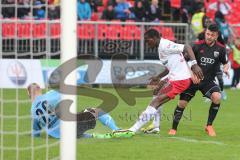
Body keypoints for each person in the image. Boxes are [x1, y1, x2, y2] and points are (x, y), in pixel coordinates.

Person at [113, 28, 203, 135]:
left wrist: (194, 64)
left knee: (156, 101)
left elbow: (187, 47)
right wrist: (158, 77)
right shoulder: (161, 48)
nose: (146, 43)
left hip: (180, 80)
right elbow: (170, 66)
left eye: (148, 40)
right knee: (155, 91)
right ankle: (155, 126)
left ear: (155, 38)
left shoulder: (165, 45)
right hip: (174, 76)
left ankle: (132, 130)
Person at [168, 23, 229, 137]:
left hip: (207, 82)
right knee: (182, 104)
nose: (209, 36)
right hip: (192, 81)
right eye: (207, 34)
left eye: (212, 35)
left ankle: (209, 125)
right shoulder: (197, 46)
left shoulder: (220, 49)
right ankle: (173, 128)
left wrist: (226, 69)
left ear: (216, 36)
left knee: (217, 97)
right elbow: (183, 61)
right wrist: (191, 74)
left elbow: (226, 63)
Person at [28, 83, 130, 139]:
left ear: (29, 94)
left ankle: (101, 137)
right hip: (71, 127)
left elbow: (36, 134)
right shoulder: (50, 94)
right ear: (40, 90)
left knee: (77, 133)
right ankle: (116, 130)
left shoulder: (32, 111)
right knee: (96, 111)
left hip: (59, 136)